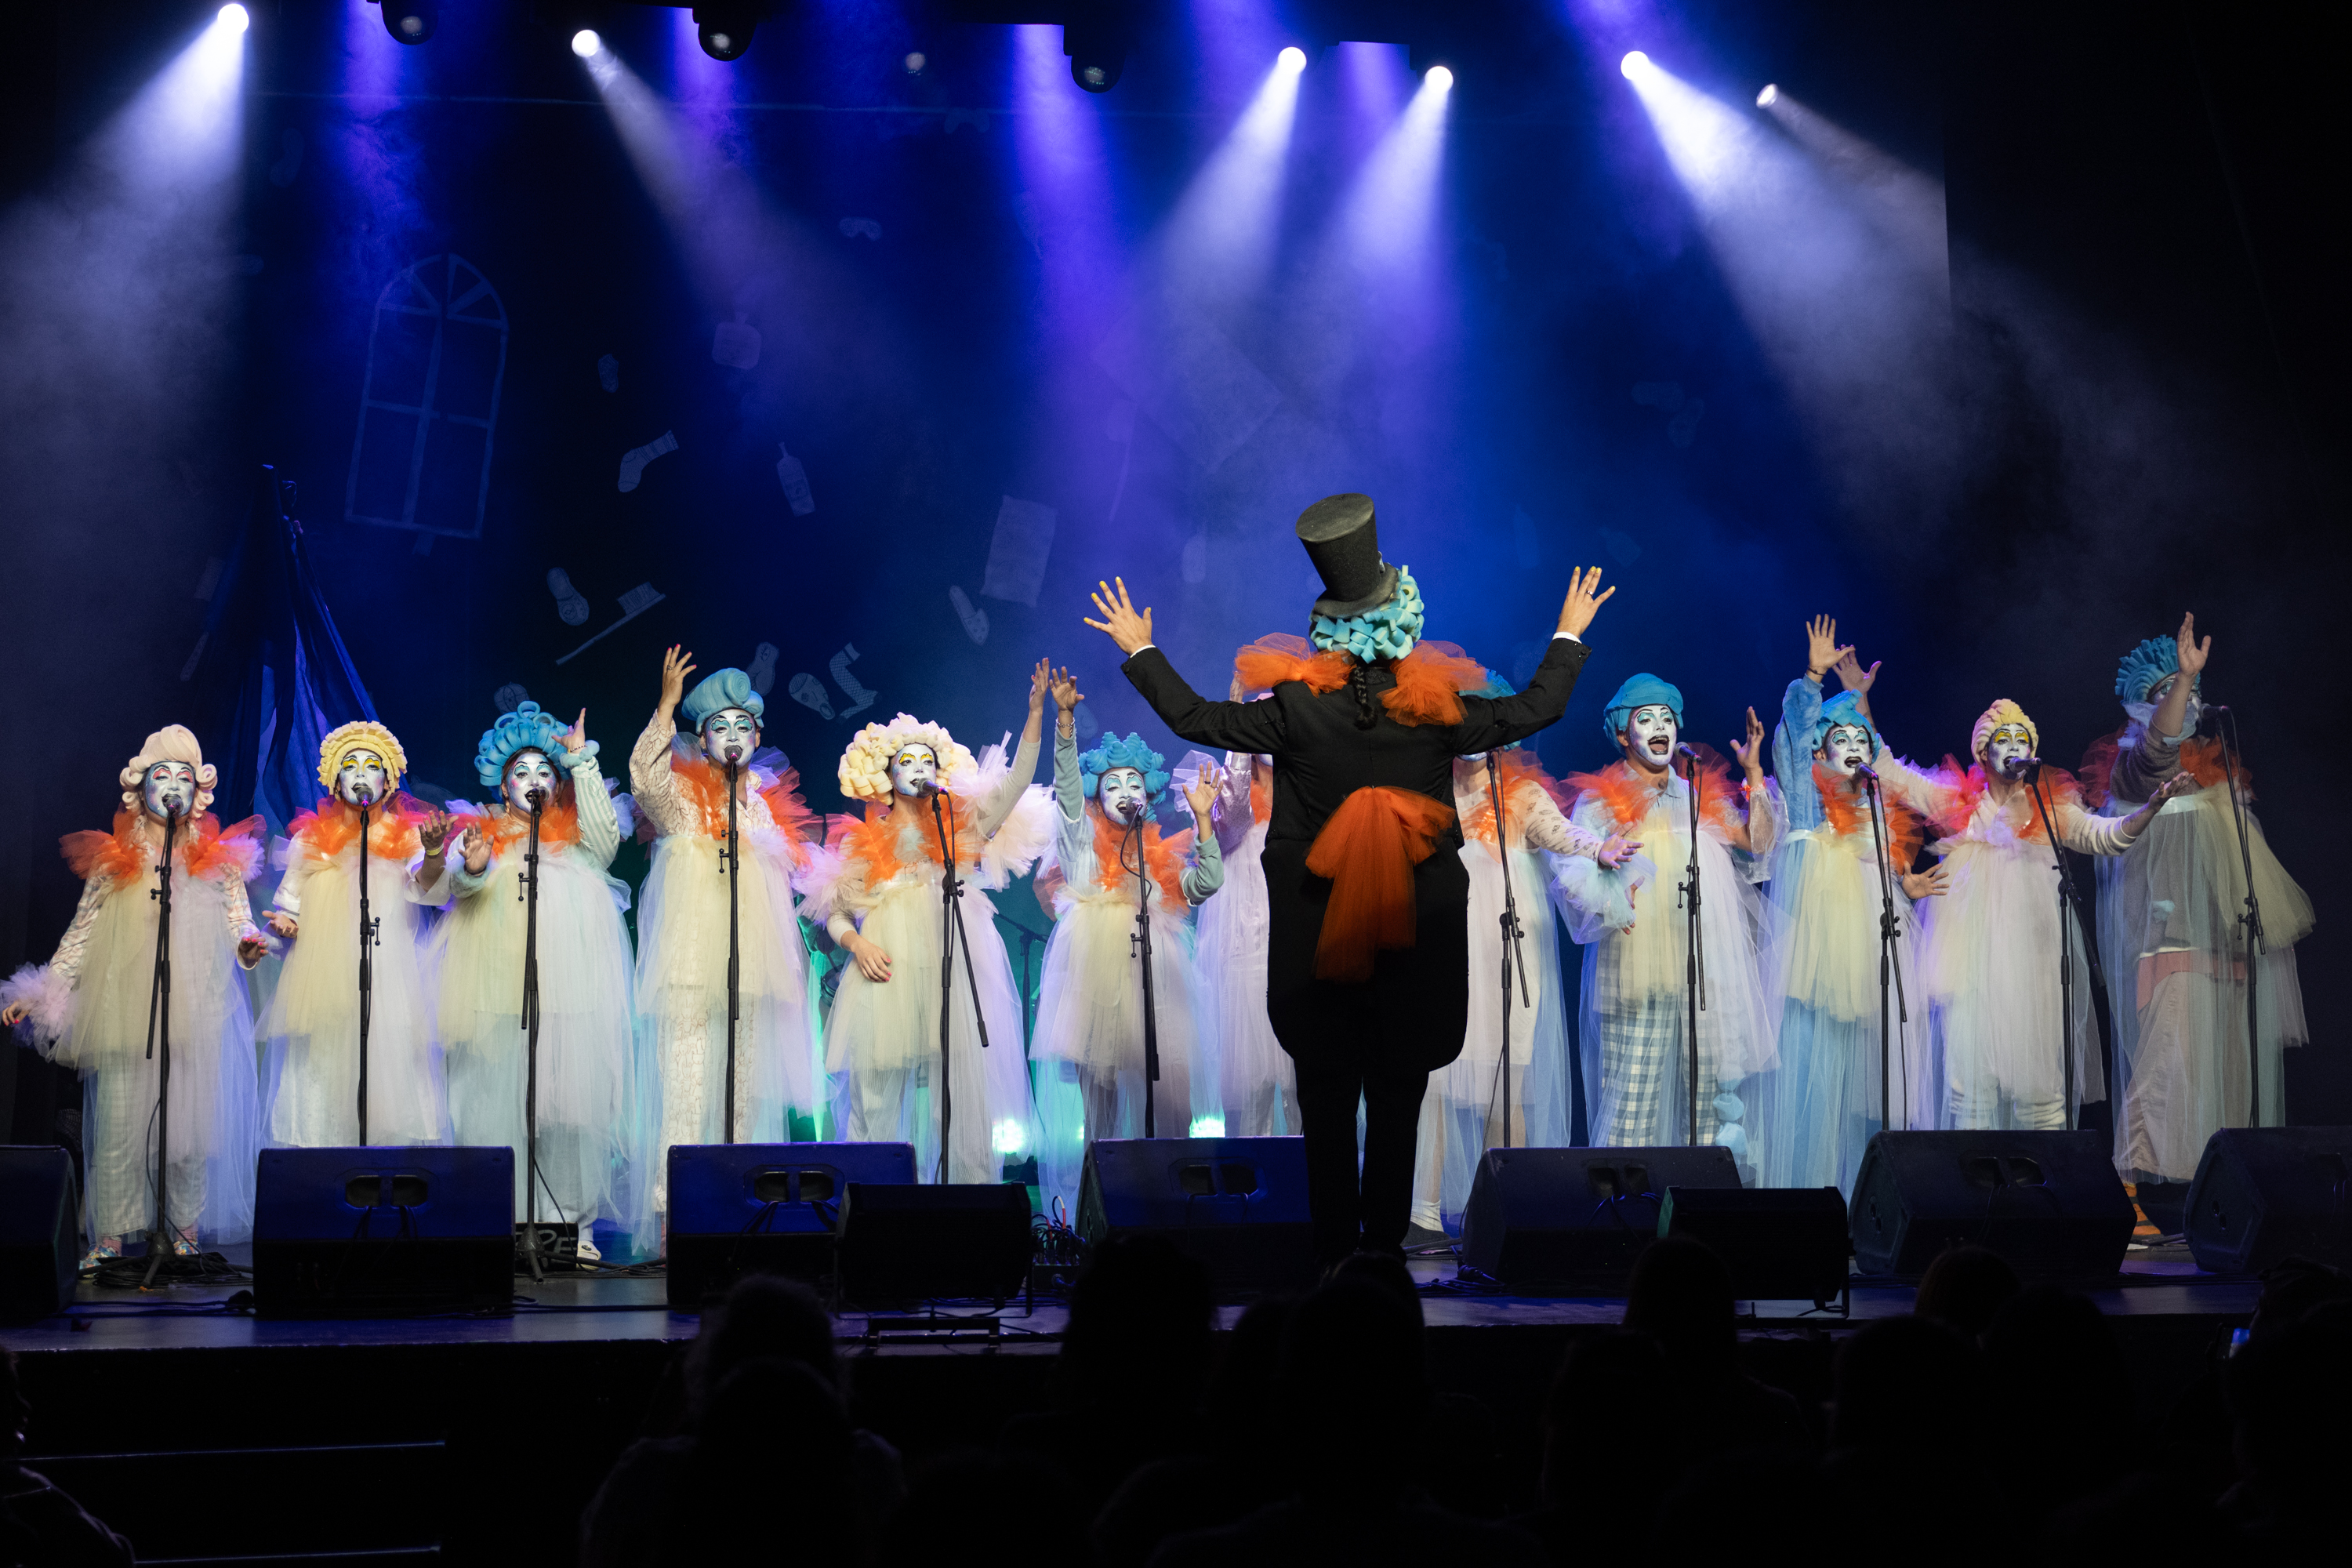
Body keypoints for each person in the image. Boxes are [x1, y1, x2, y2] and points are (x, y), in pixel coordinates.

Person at [1087, 492, 1613, 1263]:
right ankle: (1382, 1255)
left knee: (1326, 1103)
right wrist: (1567, 633)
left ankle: (1336, 1257)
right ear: (1400, 623)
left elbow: (1199, 719)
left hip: (1319, 941)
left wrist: (1142, 650)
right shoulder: (1434, 709)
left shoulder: (1296, 708)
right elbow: (1535, 708)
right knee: (1398, 1100)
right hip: (1415, 934)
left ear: (1329, 633)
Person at [2, 728, 267, 1262]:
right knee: (121, 1126)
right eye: (160, 777)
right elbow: (82, 934)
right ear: (140, 789)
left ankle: (184, 1233)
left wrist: (247, 943)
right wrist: (42, 989)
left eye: (184, 778)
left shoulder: (218, 860)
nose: (172, 787)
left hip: (194, 1007)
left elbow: (238, 920)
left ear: (198, 792)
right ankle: (110, 1237)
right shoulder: (113, 859)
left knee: (188, 1131)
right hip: (124, 1011)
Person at [1878, 699, 2187, 1131]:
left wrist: (2147, 810)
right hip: (1968, 967)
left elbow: (2104, 837)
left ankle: (2045, 1169)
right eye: (2003, 739)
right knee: (1970, 1087)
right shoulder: (1956, 802)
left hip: (2032, 965)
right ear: (1983, 751)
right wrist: (1859, 698)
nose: (2014, 746)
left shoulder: (2049, 806)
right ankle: (1974, 1170)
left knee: (2040, 1089)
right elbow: (1892, 774)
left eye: (2021, 739)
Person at [2082, 614, 2314, 1187]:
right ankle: (2129, 1189)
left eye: (2191, 693)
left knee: (2223, 1074)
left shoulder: (2211, 770)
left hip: (2224, 943)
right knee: (2165, 1069)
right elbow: (2159, 747)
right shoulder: (2136, 769)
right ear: (2144, 704)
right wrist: (2183, 677)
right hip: (2171, 946)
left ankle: (2217, 1191)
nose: (2187, 703)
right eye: (2170, 693)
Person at [806, 664, 1055, 1184]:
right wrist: (857, 944)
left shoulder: (959, 825)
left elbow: (1015, 785)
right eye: (908, 761)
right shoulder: (863, 840)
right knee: (877, 1094)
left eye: (928, 761)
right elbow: (834, 910)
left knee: (960, 1092)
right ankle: (871, 1202)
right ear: (888, 775)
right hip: (888, 974)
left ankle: (965, 1200)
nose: (920, 768)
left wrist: (1035, 714)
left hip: (953, 971)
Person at [434, 702, 649, 1259]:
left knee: (570, 1109)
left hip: (570, 990)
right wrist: (474, 868)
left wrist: (580, 762)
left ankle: (572, 1226)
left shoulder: (577, 836)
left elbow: (607, 846)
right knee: (494, 1102)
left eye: (544, 772)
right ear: (504, 784)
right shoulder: (480, 832)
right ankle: (497, 1221)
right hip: (495, 992)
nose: (534, 780)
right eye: (521, 772)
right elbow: (456, 889)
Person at [1554, 676, 1778, 1165]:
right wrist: (1611, 895)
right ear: (1623, 733)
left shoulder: (1697, 792)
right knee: (1632, 1094)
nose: (1660, 727)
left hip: (1702, 962)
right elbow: (1571, 873)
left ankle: (1698, 1193)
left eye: (1667, 718)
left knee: (1705, 1096)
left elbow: (1757, 843)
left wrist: (1755, 773)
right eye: (1646, 718)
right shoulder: (1602, 798)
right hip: (1636, 965)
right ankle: (1624, 1199)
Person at [630, 648, 822, 1207]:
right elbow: (645, 782)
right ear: (702, 738)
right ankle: (674, 1207)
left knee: (743, 1091)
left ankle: (738, 1204)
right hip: (691, 964)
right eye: (720, 726)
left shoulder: (764, 807)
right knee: (687, 1087)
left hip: (752, 969)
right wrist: (666, 708)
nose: (733, 735)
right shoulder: (683, 798)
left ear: (757, 737)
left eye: (743, 726)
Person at [1410, 720, 1617, 1237]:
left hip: (1508, 952)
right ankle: (1422, 1214)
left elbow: (1560, 832)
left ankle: (1501, 1214)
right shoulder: (1428, 789)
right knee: (1433, 1082)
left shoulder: (1523, 794)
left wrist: (1597, 849)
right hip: (1442, 950)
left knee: (1507, 1081)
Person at [1029, 681, 1224, 1214]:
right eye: (1112, 783)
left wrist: (1204, 822)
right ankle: (1100, 1214)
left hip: (1158, 986)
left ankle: (1169, 1209)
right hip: (1097, 984)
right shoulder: (1081, 849)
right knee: (1102, 1113)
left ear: (1148, 793)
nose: (1125, 791)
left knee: (1172, 1101)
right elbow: (1068, 795)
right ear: (1098, 794)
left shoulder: (1160, 856)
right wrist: (1064, 726)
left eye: (1134, 782)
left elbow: (1206, 883)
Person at [1751, 619, 1932, 1193]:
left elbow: (1879, 867)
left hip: (1866, 954)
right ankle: (1808, 1193)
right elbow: (1794, 732)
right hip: (1816, 959)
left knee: (1864, 1071)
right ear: (1821, 748)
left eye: (1861, 741)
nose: (1853, 748)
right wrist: (1814, 676)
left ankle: (1864, 1195)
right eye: (1841, 739)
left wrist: (1904, 886)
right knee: (1814, 1064)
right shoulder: (1805, 793)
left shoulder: (1873, 804)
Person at [256, 720, 454, 1147]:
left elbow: (431, 892)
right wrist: (279, 931)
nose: (361, 773)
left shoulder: (407, 837)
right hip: (325, 989)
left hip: (390, 985)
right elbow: (287, 913)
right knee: (325, 1082)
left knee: (389, 1080)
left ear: (388, 781)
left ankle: (387, 1172)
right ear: (334, 780)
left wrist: (434, 853)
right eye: (350, 766)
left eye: (372, 766)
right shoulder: (310, 840)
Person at [1196, 721, 1291, 1138]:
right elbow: (1232, 819)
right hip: (1247, 950)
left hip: (1296, 945)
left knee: (1302, 1084)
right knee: (1253, 1083)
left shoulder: (1304, 793)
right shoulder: (1234, 801)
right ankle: (1251, 1169)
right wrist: (1236, 728)